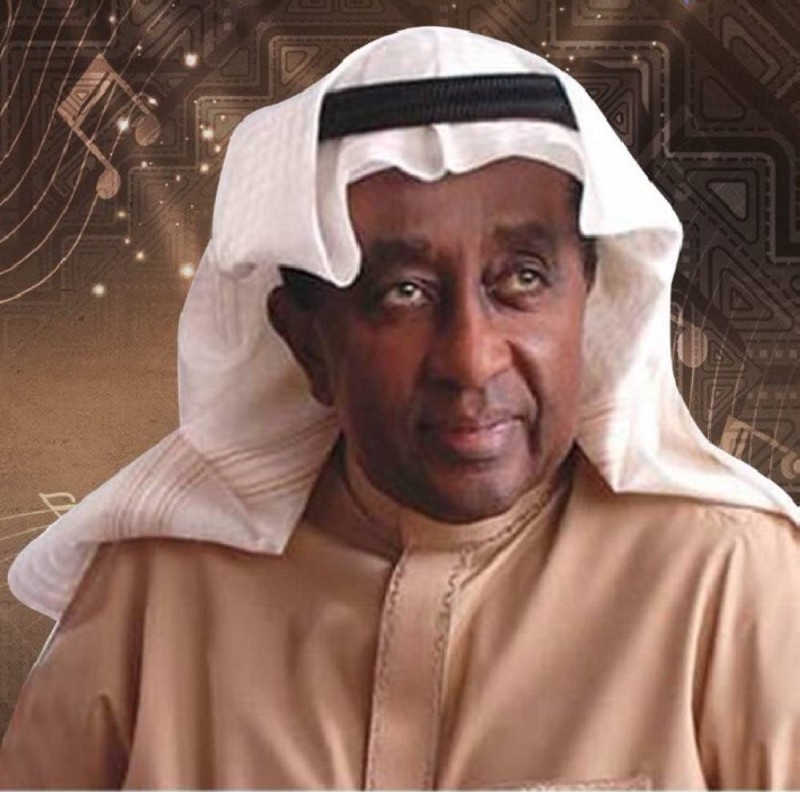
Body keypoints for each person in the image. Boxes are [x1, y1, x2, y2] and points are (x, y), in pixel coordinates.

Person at [1, 26, 799, 790]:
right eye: (404, 292)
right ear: (307, 343)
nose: (471, 359)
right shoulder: (153, 596)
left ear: (589, 298)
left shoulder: (731, 582)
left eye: (522, 278)